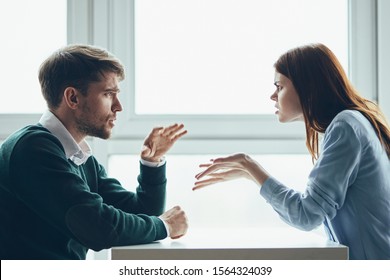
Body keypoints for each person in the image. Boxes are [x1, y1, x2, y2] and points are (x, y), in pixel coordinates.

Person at [193, 43, 390, 260]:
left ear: (309, 88)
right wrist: (248, 173)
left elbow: (307, 215)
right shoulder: (352, 123)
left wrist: (251, 167)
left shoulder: (345, 127)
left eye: (279, 87)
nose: (272, 96)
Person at [0, 44, 188, 260]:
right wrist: (164, 226)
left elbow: (142, 211)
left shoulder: (77, 156)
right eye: (109, 94)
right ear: (73, 98)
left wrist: (151, 163)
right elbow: (98, 227)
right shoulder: (32, 149)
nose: (118, 107)